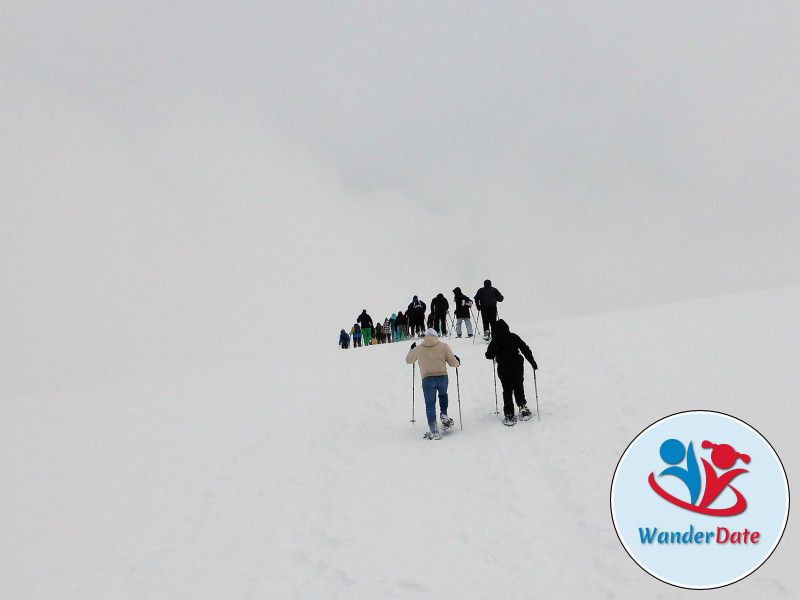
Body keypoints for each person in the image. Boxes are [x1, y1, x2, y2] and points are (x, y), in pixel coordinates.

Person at [405, 328, 461, 439]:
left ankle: (434, 429)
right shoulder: (443, 346)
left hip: (427, 378)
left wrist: (411, 350)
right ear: (436, 336)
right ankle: (443, 414)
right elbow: (453, 363)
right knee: (443, 395)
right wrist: (457, 361)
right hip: (442, 376)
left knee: (430, 404)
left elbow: (409, 360)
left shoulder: (419, 348)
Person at [484, 319, 537, 426]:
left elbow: (489, 355)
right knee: (518, 385)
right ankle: (522, 406)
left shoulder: (496, 340)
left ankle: (509, 413)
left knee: (507, 389)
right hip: (517, 365)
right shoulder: (513, 337)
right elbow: (525, 349)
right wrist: (532, 362)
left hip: (503, 368)